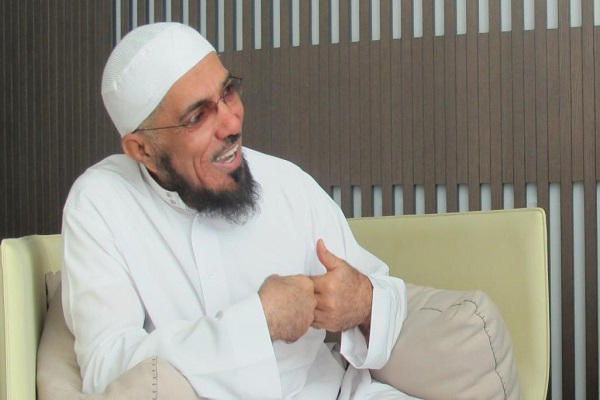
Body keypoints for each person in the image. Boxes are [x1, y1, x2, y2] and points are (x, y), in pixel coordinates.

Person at [62, 22, 413, 399]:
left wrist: (362, 301)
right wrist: (259, 322)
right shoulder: (100, 204)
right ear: (142, 150)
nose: (232, 122)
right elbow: (107, 368)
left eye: (227, 92)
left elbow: (385, 292)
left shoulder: (285, 182)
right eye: (197, 117)